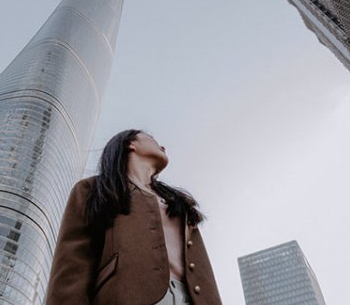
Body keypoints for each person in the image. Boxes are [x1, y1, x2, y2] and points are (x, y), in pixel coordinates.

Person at [45, 129, 222, 305]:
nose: (162, 146)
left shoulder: (177, 202)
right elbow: (72, 265)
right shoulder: (93, 189)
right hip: (127, 296)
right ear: (131, 144)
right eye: (152, 139)